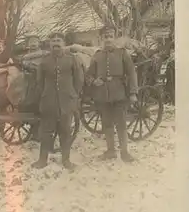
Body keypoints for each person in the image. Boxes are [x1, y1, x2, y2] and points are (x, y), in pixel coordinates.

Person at [31, 32, 84, 170]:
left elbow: (79, 80)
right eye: (53, 41)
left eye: (58, 40)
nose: (56, 43)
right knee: (46, 132)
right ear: (49, 44)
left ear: (64, 43)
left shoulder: (72, 59)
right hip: (49, 102)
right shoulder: (44, 61)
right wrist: (45, 95)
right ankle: (42, 160)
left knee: (65, 131)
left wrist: (73, 95)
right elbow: (39, 81)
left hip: (67, 102)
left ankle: (66, 160)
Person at [86, 29, 138, 162]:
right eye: (105, 37)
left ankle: (125, 152)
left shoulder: (122, 53)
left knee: (121, 123)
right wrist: (93, 81)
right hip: (102, 95)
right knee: (107, 124)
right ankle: (110, 151)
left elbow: (132, 73)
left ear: (114, 38)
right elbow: (89, 74)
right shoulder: (97, 55)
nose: (108, 39)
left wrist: (133, 93)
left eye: (110, 36)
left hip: (119, 93)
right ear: (101, 39)